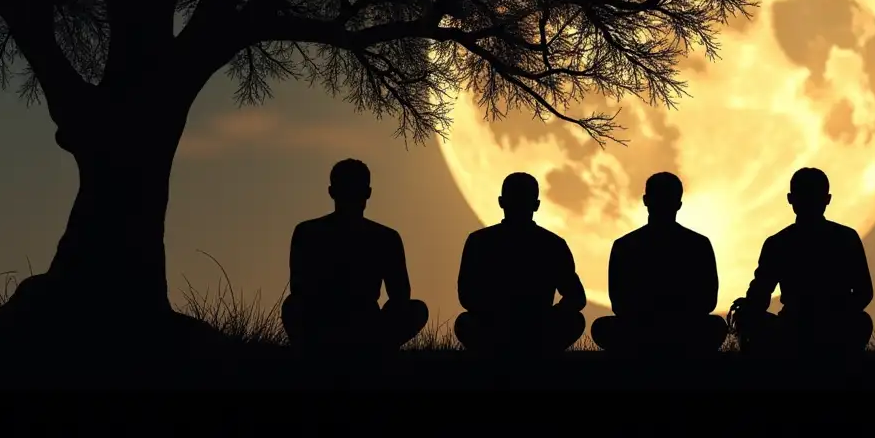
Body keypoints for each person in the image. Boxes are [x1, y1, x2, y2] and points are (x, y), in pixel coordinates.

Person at [281, 159, 429, 355]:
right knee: (293, 305)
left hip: (361, 323)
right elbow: (299, 288)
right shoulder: (385, 237)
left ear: (331, 191)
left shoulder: (308, 231)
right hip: (327, 321)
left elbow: (400, 296)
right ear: (368, 193)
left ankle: (368, 353)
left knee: (416, 309)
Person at [730, 167, 874, 360]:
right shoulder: (845, 237)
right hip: (807, 326)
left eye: (812, 196)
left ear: (790, 199)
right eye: (806, 195)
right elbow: (864, 293)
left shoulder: (778, 242)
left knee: (861, 322)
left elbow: (759, 296)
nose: (809, 202)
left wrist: (749, 308)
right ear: (828, 199)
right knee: (860, 322)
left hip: (808, 326)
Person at [590, 172, 729, 356]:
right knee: (601, 327)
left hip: (669, 327)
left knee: (716, 325)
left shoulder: (625, 244)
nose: (663, 204)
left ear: (645, 200)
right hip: (657, 327)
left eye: (666, 198)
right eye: (660, 198)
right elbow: (619, 301)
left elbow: (708, 299)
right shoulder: (697, 243)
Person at [454, 172, 587, 356]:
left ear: (500, 202)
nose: (519, 206)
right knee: (466, 323)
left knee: (574, 320)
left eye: (521, 200)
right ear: (537, 205)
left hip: (536, 326)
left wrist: (544, 316)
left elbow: (576, 297)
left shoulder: (480, 241)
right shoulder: (552, 243)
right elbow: (466, 295)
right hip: (498, 325)